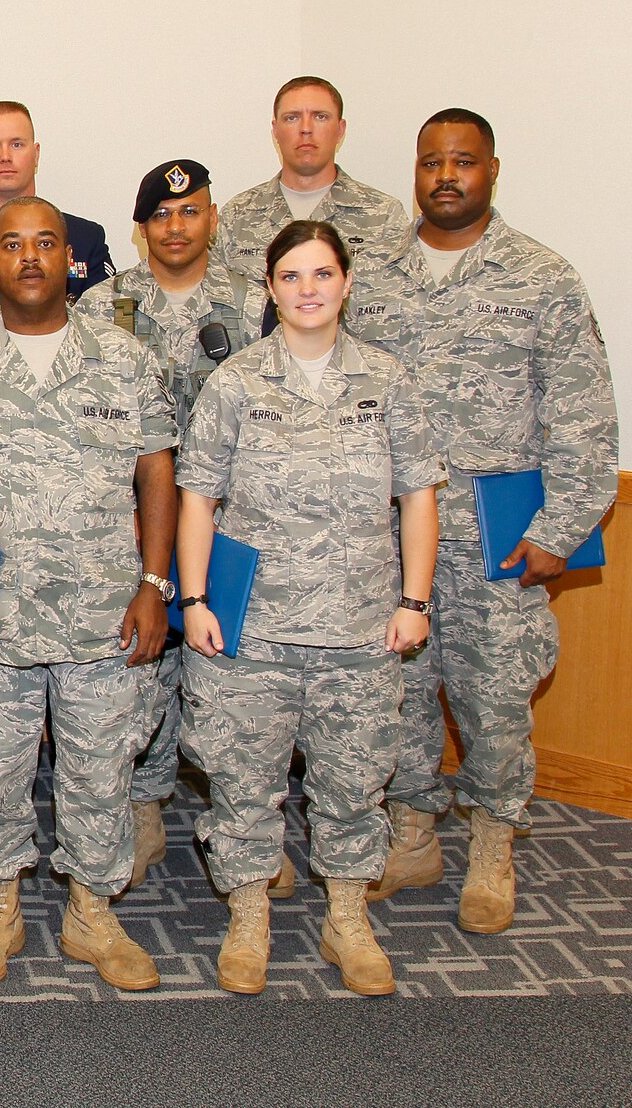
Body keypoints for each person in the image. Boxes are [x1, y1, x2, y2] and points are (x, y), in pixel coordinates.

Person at [348, 109, 618, 934]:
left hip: (496, 537)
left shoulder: (541, 277)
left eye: (463, 161)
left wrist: (559, 529)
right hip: (389, 542)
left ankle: (494, 843)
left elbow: (584, 417)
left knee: (495, 698)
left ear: (493, 170)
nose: (446, 176)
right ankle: (416, 832)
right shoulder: (374, 274)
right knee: (399, 699)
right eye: (433, 162)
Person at [0, 197, 177, 992]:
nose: (29, 256)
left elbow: (158, 469)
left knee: (100, 768)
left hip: (104, 612)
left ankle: (91, 909)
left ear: (70, 259)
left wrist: (155, 585)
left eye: (46, 243)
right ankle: (0, 904)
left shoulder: (124, 358)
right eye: (12, 243)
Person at [176, 219, 443, 996]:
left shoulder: (387, 380)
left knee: (355, 781)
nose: (308, 290)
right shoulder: (236, 383)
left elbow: (418, 497)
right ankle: (250, 912)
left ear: (347, 282)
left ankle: (347, 918)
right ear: (270, 289)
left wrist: (415, 600)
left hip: (360, 627)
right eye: (290, 277)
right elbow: (199, 499)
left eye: (322, 274)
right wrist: (194, 599)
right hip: (251, 629)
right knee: (243, 778)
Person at [74, 159, 269, 892]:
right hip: (136, 518)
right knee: (143, 665)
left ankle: (246, 817)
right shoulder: (102, 305)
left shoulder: (258, 302)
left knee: (236, 672)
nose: (176, 226)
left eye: (191, 212)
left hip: (236, 519)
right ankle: (145, 804)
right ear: (142, 226)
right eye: (162, 215)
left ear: (212, 218)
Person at [214, 76, 410, 280]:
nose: (306, 128)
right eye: (292, 118)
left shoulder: (383, 215)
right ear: (275, 131)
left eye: (320, 116)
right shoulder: (238, 216)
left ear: (340, 130)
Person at [0, 101, 115, 299]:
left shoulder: (84, 238)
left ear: (36, 154)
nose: (5, 156)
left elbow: (104, 321)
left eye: (17, 144)